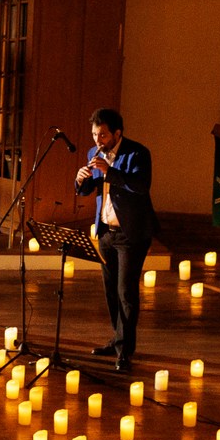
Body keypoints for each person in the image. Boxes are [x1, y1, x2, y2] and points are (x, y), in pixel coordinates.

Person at [77, 107, 155, 371]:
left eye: (103, 135)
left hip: (131, 233)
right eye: (94, 135)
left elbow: (140, 186)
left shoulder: (138, 153)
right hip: (105, 232)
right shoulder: (93, 153)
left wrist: (109, 171)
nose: (97, 140)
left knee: (126, 292)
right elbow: (90, 188)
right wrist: (80, 181)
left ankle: (125, 351)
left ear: (117, 133)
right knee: (111, 290)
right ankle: (118, 338)